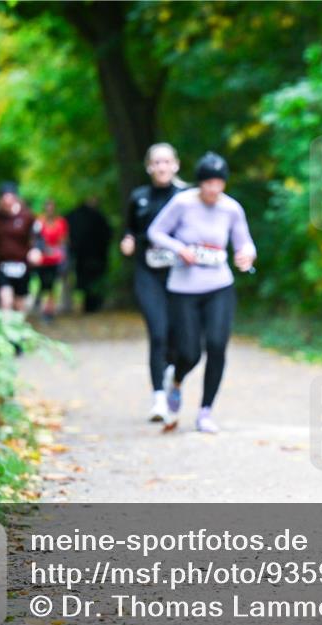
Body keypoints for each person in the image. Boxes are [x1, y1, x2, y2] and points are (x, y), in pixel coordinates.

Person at [148, 152, 256, 433]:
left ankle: (205, 411)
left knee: (218, 346)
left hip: (219, 285)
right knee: (189, 352)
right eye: (207, 183)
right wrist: (179, 249)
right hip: (183, 288)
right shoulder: (183, 202)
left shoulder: (231, 208)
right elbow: (156, 232)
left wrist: (246, 256)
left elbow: (245, 243)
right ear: (199, 183)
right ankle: (176, 380)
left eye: (218, 183)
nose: (213, 189)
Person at [120, 143, 189, 421]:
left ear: (176, 165)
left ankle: (172, 376)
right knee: (158, 332)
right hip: (148, 273)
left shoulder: (186, 197)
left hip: (181, 275)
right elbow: (130, 231)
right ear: (149, 167)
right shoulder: (139, 197)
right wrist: (127, 241)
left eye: (167, 162)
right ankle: (158, 400)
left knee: (179, 338)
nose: (161, 167)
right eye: (156, 162)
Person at [0, 190, 41, 312]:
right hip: (0, 264)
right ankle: (4, 327)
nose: (6, 205)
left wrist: (35, 250)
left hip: (22, 265)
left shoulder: (28, 217)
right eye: (4, 202)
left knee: (19, 302)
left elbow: (37, 236)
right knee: (5, 299)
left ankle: (17, 327)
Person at [66, 196, 112, 314]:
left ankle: (90, 305)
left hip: (90, 256)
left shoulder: (80, 216)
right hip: (87, 256)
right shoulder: (97, 217)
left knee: (90, 281)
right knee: (88, 281)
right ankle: (89, 305)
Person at [32, 200, 69, 322]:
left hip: (56, 259)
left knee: (53, 286)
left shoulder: (61, 222)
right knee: (43, 285)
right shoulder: (39, 221)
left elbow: (63, 240)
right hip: (42, 260)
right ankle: (43, 308)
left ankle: (49, 311)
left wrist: (59, 253)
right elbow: (34, 238)